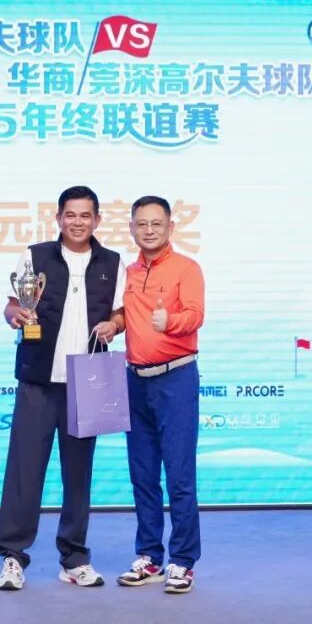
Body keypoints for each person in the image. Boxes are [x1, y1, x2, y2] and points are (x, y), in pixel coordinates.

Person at [0, 185, 126, 591]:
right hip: (37, 380)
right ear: (58, 218)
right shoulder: (34, 256)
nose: (78, 222)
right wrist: (16, 316)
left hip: (88, 381)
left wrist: (114, 325)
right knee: (24, 470)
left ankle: (74, 558)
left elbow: (120, 314)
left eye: (86, 215)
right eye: (70, 214)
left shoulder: (113, 263)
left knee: (78, 475)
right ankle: (13, 557)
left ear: (97, 220)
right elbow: (12, 305)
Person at [117, 196, 205, 594]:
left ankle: (183, 560)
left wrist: (171, 321)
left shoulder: (187, 268)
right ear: (132, 228)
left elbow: (196, 315)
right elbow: (126, 315)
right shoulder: (129, 272)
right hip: (134, 381)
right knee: (143, 474)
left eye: (156, 223)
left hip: (176, 380)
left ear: (170, 227)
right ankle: (150, 556)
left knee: (180, 475)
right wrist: (113, 324)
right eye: (141, 223)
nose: (149, 230)